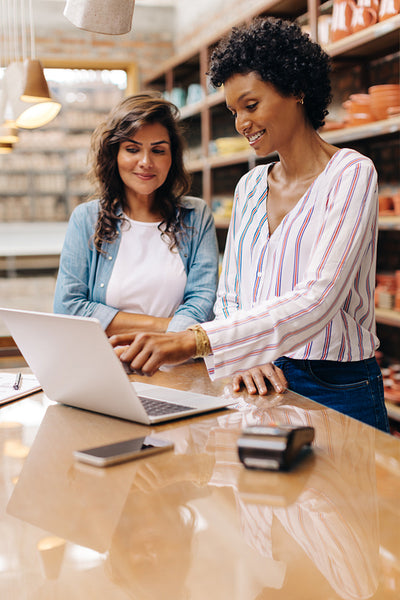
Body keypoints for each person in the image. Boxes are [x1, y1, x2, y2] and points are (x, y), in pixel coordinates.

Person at [110, 18, 389, 432]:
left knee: (346, 498)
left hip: (337, 385)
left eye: (251, 105)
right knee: (262, 498)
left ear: (296, 90)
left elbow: (317, 299)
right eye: (233, 111)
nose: (241, 123)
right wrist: (245, 357)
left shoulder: (350, 174)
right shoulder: (250, 185)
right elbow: (231, 293)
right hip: (257, 376)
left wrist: (197, 340)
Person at [54, 93, 219, 335]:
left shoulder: (196, 215)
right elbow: (68, 308)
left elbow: (202, 302)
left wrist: (163, 345)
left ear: (172, 157)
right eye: (132, 149)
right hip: (109, 365)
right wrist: (163, 326)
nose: (145, 162)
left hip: (176, 366)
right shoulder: (86, 219)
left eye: (158, 150)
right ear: (114, 156)